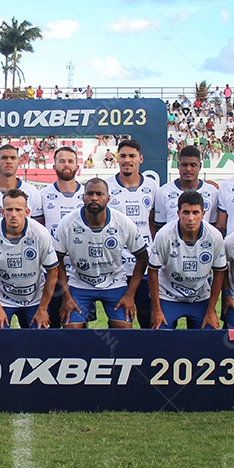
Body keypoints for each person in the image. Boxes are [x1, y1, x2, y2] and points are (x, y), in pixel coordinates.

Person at [55, 178, 149, 329]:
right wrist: (66, 296)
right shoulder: (67, 223)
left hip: (114, 283)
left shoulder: (123, 222)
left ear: (108, 198)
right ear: (82, 197)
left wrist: (130, 295)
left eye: (99, 194)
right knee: (71, 330)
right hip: (80, 283)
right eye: (89, 193)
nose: (94, 198)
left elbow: (143, 257)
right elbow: (57, 260)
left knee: (124, 329)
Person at [0, 189, 59, 329]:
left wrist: (43, 309)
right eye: (9, 209)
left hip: (34, 298)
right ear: (2, 212)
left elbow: (53, 271)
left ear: (27, 212)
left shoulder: (40, 233)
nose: (14, 214)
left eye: (18, 210)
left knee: (39, 340)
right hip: (2, 298)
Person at [147, 190, 225, 330]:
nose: (190, 218)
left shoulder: (214, 236)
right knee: (159, 335)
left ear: (203, 214)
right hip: (168, 296)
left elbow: (219, 272)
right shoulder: (164, 235)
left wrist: (211, 310)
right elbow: (152, 270)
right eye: (186, 212)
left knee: (208, 337)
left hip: (199, 297)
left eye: (195, 212)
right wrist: (156, 310)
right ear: (178, 213)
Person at [105, 139, 158, 328]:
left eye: (132, 156)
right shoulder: (107, 187)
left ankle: (148, 356)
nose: (127, 160)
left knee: (147, 317)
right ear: (117, 159)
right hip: (116, 266)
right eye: (123, 156)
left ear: (140, 159)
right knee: (120, 323)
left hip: (143, 264)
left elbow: (153, 222)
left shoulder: (151, 186)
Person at [40, 146, 87, 328]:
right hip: (50, 270)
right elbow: (39, 231)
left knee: (76, 325)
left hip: (80, 272)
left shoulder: (88, 194)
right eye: (61, 161)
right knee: (49, 323)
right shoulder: (43, 195)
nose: (66, 165)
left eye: (70, 161)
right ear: (54, 166)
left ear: (77, 166)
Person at [0, 145, 44, 241]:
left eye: (13, 158)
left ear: (19, 162)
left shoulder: (32, 191)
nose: (9, 161)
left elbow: (39, 227)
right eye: (4, 158)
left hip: (22, 250)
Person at [151, 145, 219, 234]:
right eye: (184, 165)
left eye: (193, 165)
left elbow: (213, 226)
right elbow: (160, 227)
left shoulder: (212, 192)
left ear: (200, 166)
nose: (188, 169)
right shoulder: (163, 192)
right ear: (178, 165)